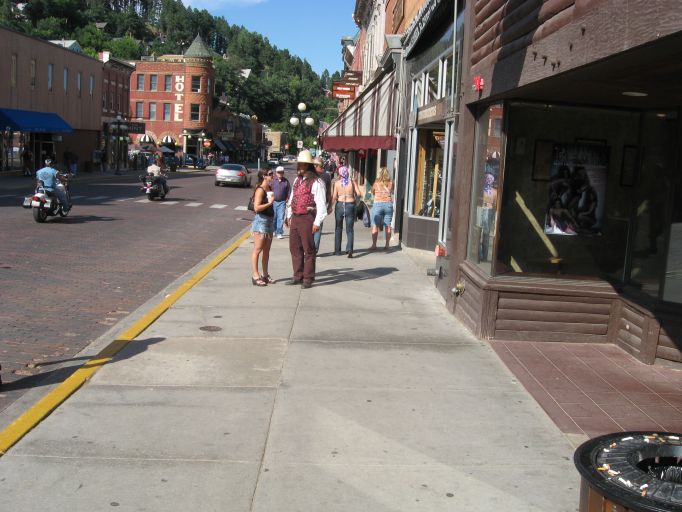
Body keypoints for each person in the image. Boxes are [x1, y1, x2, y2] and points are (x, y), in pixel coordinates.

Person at [285, 150, 327, 289]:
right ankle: (298, 275)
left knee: (308, 249)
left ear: (308, 166)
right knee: (294, 248)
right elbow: (293, 198)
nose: (300, 167)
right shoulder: (297, 180)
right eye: (299, 164)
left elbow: (321, 204)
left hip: (307, 218)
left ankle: (308, 278)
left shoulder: (317, 182)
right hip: (296, 217)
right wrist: (288, 214)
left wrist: (317, 222)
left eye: (303, 164)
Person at [250, 169, 275, 286]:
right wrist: (269, 203)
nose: (272, 176)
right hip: (261, 221)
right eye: (270, 174)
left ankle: (265, 274)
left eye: (272, 174)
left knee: (267, 250)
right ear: (264, 176)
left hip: (270, 220)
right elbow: (256, 208)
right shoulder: (260, 190)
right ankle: (255, 275)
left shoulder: (269, 188)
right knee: (258, 249)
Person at [332, 165, 361, 258]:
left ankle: (337, 250)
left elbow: (334, 197)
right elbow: (359, 193)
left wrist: (329, 207)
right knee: (350, 229)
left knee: (338, 228)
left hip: (340, 205)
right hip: (350, 205)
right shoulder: (352, 182)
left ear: (340, 174)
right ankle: (350, 249)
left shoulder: (337, 183)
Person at [370, 167, 394, 251]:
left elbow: (373, 192)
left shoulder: (376, 183)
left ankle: (374, 245)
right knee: (388, 225)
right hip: (388, 205)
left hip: (378, 204)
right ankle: (387, 245)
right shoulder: (391, 183)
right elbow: (392, 191)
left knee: (375, 225)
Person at [312, 156, 332, 253]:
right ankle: (312, 249)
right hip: (312, 206)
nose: (323, 167)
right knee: (313, 227)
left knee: (317, 226)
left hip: (318, 206)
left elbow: (329, 192)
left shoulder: (325, 176)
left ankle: (313, 249)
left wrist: (329, 206)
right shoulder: (310, 175)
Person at [271, 166, 290, 239]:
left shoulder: (286, 181)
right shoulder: (273, 181)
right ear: (276, 173)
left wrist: (288, 198)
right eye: (278, 172)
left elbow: (289, 191)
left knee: (280, 218)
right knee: (274, 217)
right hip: (273, 202)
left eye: (281, 172)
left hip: (282, 202)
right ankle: (273, 230)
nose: (280, 173)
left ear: (283, 173)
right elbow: (268, 189)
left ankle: (279, 232)